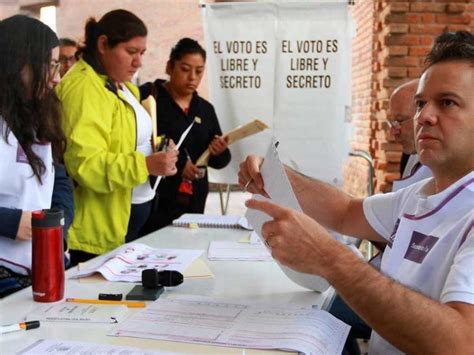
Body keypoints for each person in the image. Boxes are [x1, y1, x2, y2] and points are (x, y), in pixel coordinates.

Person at [239, 31, 473, 354]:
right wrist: (275, 175)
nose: (425, 117)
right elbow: (346, 211)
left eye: (447, 103)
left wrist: (328, 258)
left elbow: (460, 343)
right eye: (421, 103)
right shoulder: (420, 193)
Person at [56, 9, 178, 266]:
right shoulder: (84, 89)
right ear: (103, 44)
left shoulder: (119, 84)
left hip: (126, 218)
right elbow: (86, 165)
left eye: (142, 53)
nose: (138, 62)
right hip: (96, 231)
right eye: (131, 52)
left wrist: (159, 147)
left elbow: (125, 141)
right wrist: (145, 165)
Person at [329, 79, 433, 353]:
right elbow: (356, 214)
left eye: (400, 121)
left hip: (407, 300)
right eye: (391, 123)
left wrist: (335, 259)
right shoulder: (413, 156)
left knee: (328, 307)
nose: (393, 132)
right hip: (393, 286)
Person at [0, 15, 74, 297]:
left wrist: (59, 231)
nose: (57, 77)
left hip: (44, 265)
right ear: (18, 65)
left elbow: (60, 180)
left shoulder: (40, 113)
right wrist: (9, 222)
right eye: (51, 66)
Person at [139, 38, 231, 234]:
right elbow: (137, 142)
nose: (192, 78)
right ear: (170, 67)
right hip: (154, 200)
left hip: (193, 202)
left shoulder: (204, 109)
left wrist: (219, 151)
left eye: (199, 71)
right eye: (185, 69)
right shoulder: (149, 97)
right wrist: (180, 165)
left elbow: (221, 160)